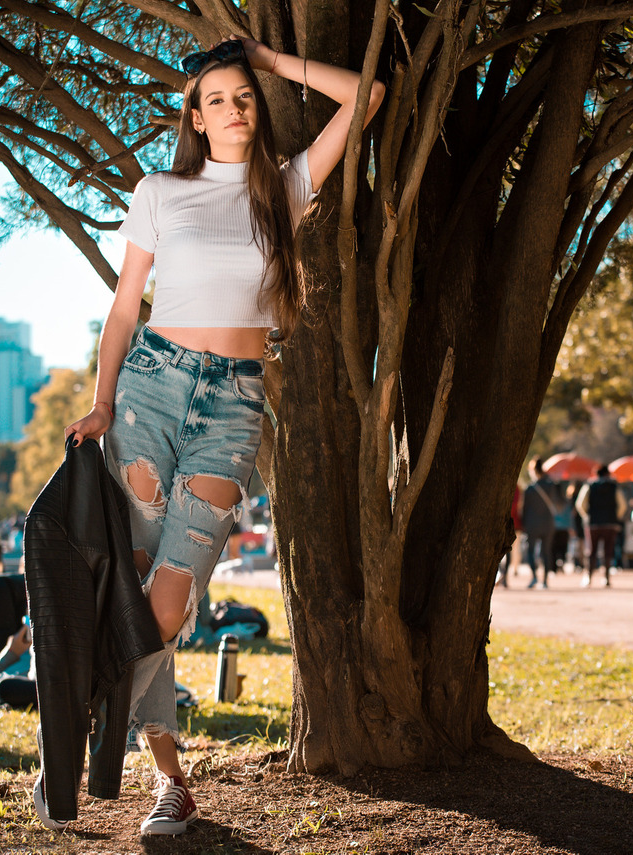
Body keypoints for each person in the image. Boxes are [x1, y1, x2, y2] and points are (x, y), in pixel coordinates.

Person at [58, 36, 384, 836]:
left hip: (234, 404)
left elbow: (368, 97)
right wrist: (101, 402)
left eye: (244, 97)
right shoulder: (161, 192)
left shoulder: (288, 186)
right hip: (150, 390)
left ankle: (69, 734)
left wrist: (272, 63)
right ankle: (170, 783)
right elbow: (126, 306)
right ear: (195, 119)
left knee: (162, 609)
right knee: (131, 590)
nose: (233, 109)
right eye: (216, 100)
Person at [576, 465, 627, 586]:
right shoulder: (614, 486)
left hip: (593, 523)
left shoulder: (589, 485)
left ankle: (588, 577)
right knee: (608, 551)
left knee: (591, 551)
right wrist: (616, 517)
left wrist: (586, 516)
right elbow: (623, 505)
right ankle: (606, 578)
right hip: (610, 523)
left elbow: (580, 504)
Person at [520, 457, 558, 589]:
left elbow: (524, 508)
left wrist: (523, 524)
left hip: (532, 523)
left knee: (531, 551)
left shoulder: (530, 489)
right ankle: (546, 580)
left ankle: (534, 577)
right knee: (546, 552)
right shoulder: (551, 485)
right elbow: (559, 503)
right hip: (548, 523)